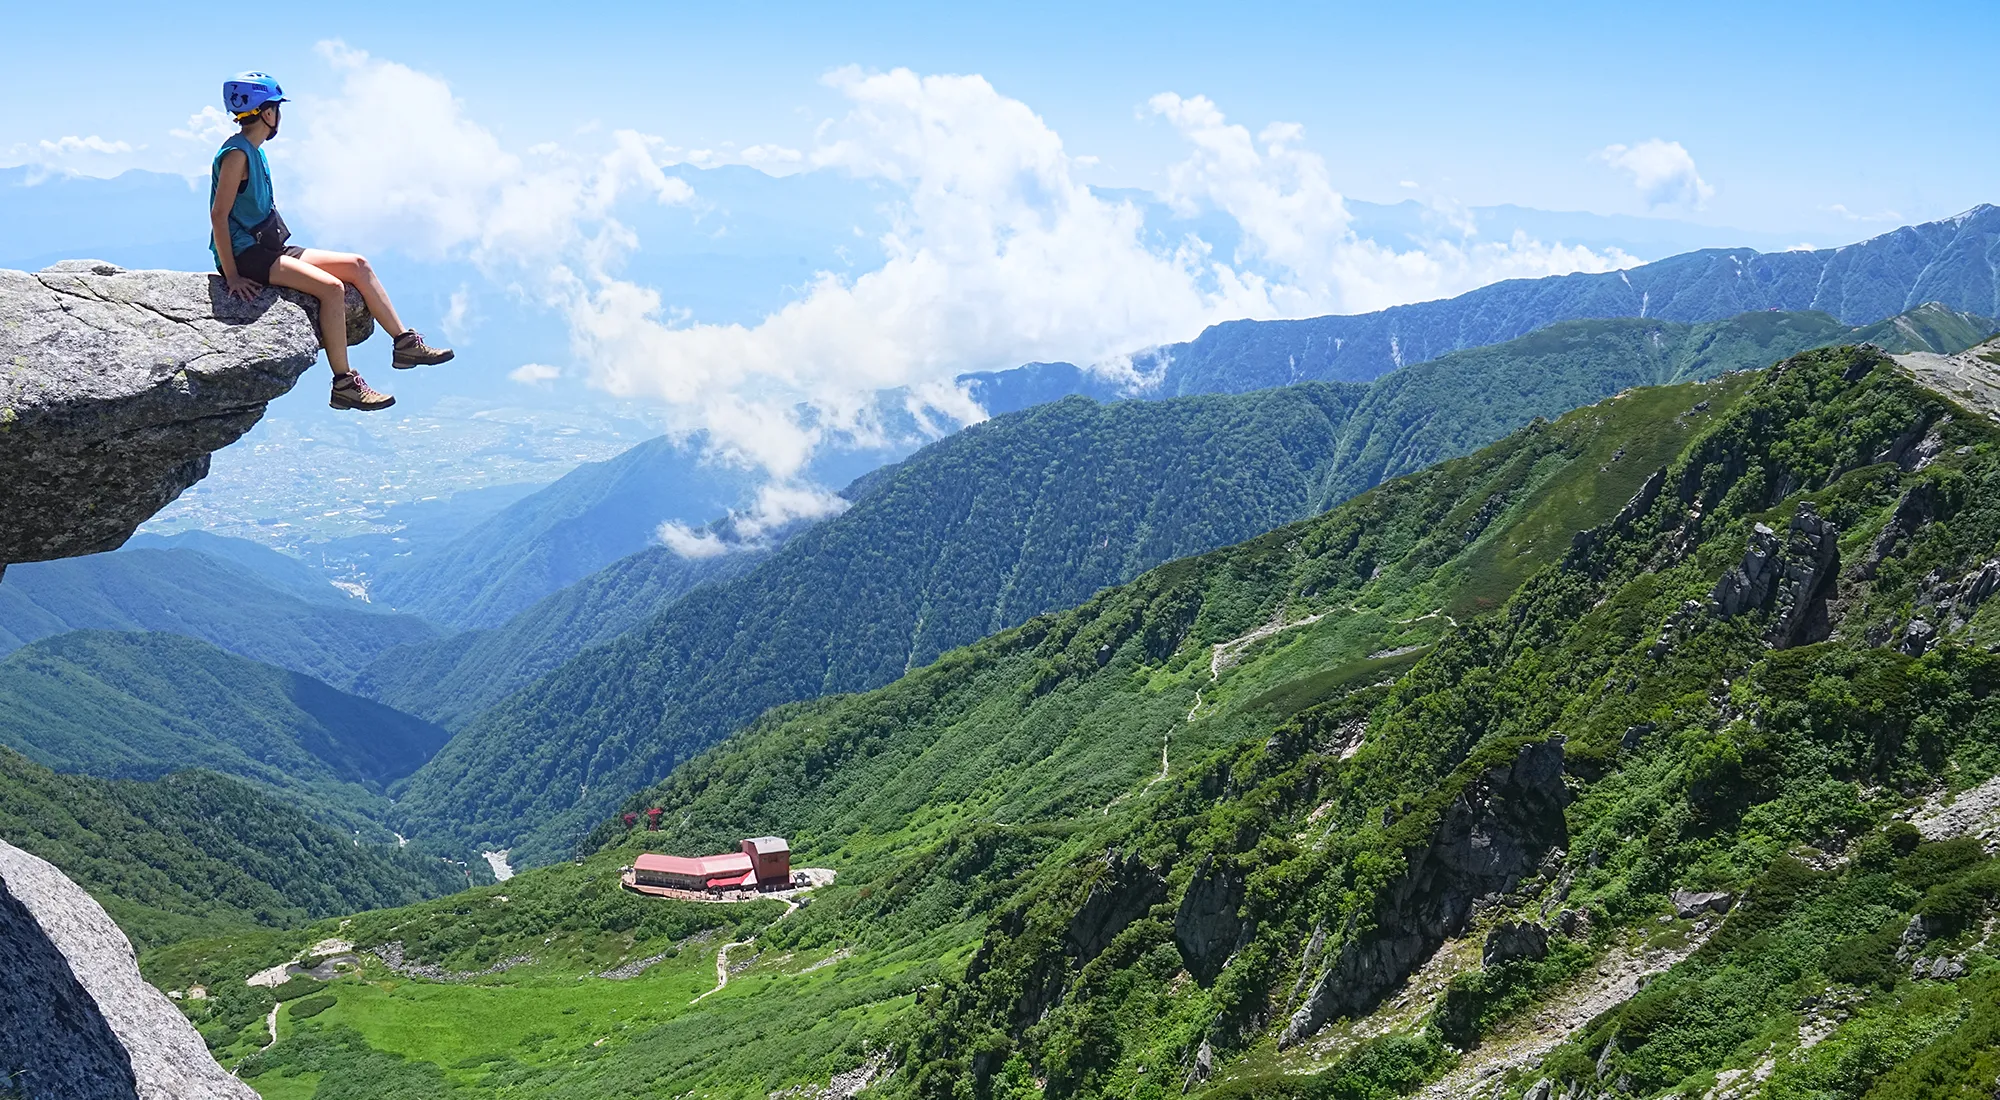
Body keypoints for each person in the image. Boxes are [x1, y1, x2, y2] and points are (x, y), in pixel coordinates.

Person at [209, 71, 454, 411]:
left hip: (266, 246)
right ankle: (344, 384)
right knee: (331, 288)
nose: (279, 116)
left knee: (357, 265)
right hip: (245, 253)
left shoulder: (254, 150)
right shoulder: (238, 155)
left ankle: (404, 344)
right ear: (266, 112)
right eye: (277, 108)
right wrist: (232, 275)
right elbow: (218, 216)